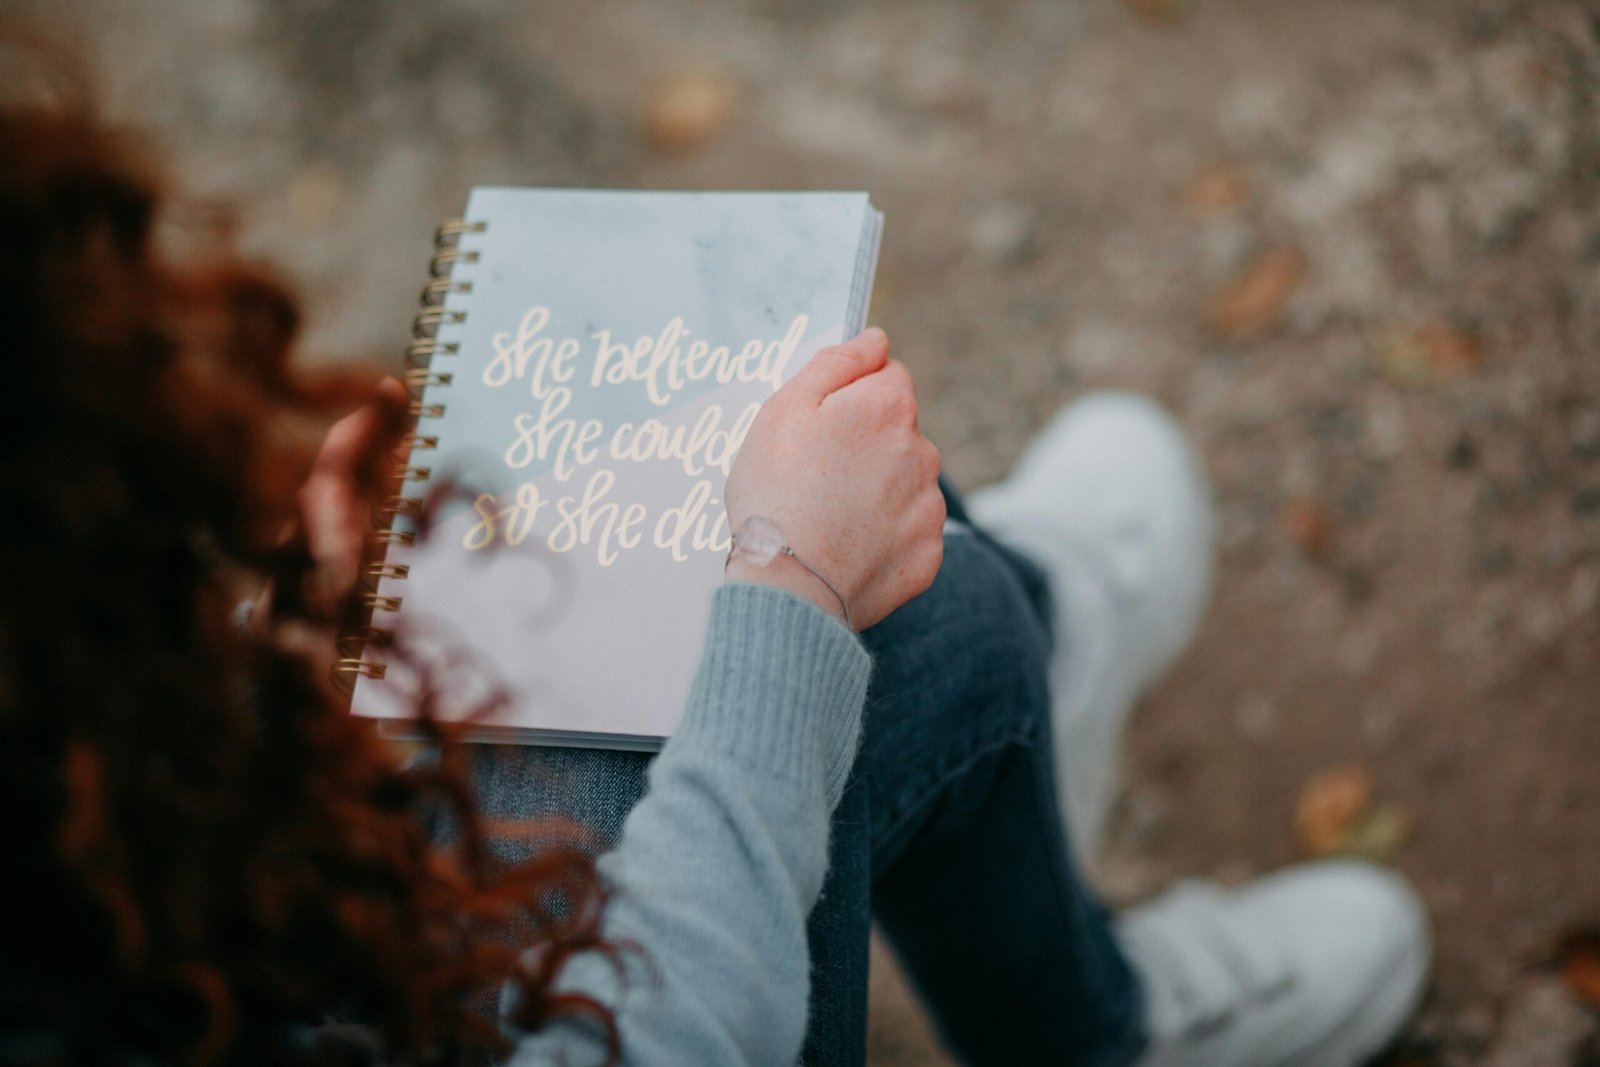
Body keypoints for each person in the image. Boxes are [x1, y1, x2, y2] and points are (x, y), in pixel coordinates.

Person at [0, 79, 1430, 1067]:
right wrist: (791, 585)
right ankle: (1091, 1013)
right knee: (922, 628)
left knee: (721, 485)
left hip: (290, 956)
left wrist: (270, 624)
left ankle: (1029, 706)